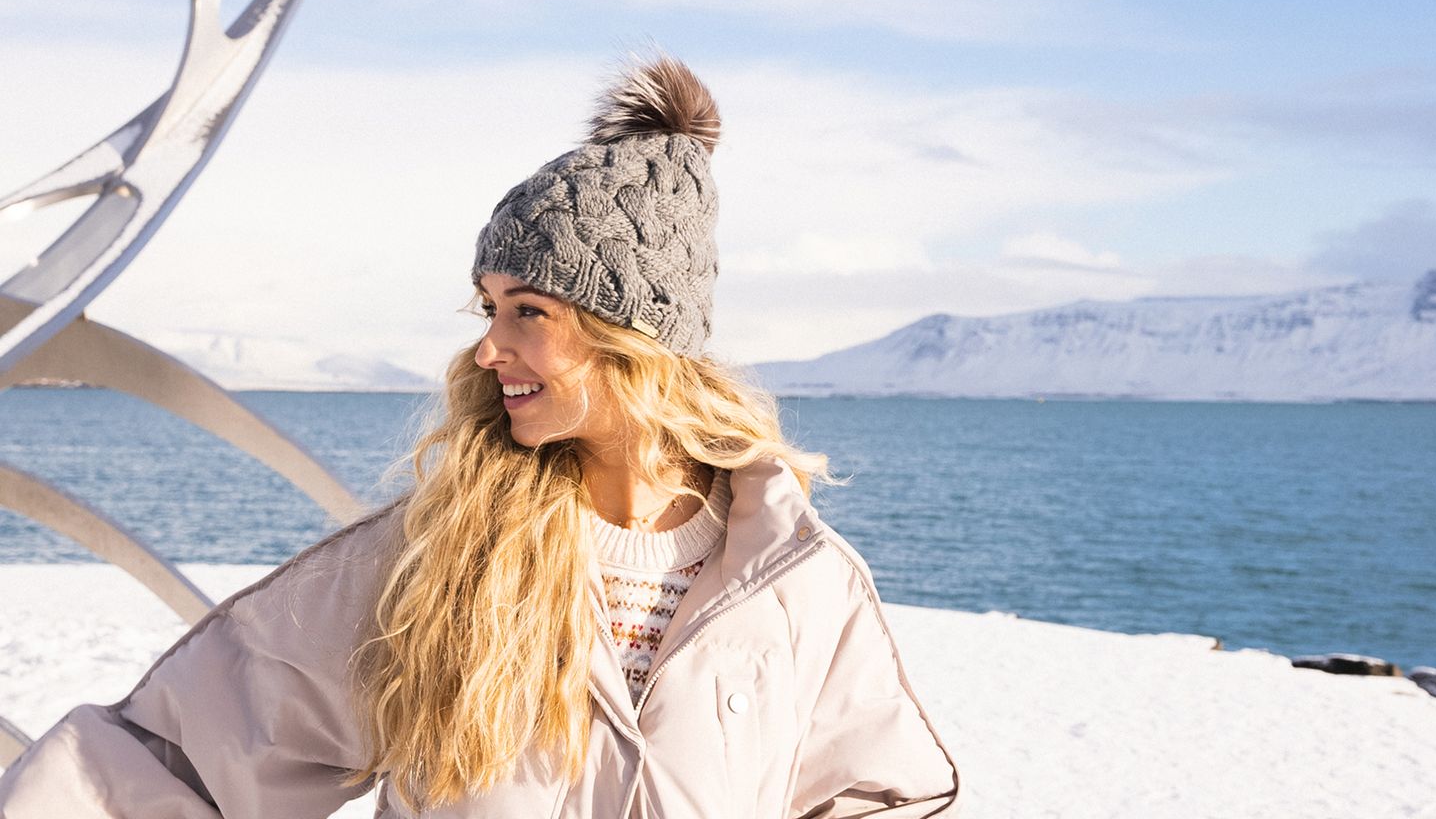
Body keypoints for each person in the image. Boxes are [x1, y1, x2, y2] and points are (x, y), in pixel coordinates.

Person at [0, 55, 960, 817]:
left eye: (528, 310)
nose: (489, 347)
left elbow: (878, 796)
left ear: (637, 336)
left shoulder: (793, 581)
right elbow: (172, 767)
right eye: (488, 306)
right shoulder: (437, 556)